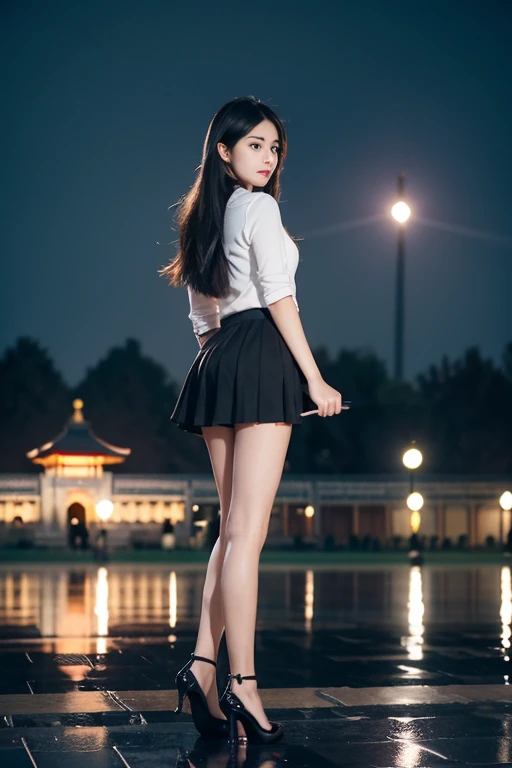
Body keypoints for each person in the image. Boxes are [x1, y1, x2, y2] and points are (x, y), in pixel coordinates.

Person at [160, 96, 344, 747]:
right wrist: (315, 378)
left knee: (230, 532)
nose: (268, 157)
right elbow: (279, 297)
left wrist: (223, 365)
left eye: (274, 148)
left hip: (217, 362)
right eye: (256, 144)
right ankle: (244, 681)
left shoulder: (201, 221)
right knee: (248, 534)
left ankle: (204, 667)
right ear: (224, 149)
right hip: (262, 356)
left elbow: (202, 321)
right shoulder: (260, 210)